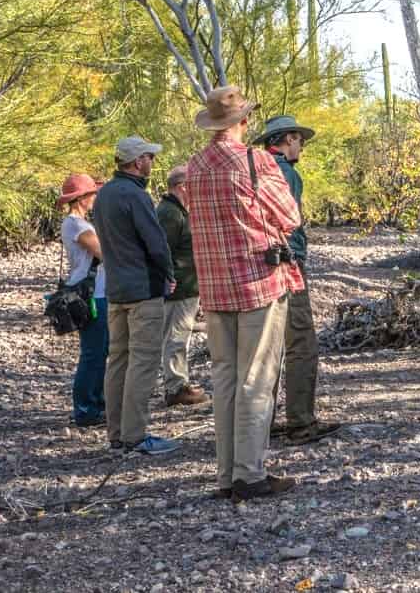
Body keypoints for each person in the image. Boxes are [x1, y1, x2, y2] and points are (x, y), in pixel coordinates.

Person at [186, 86, 305, 503]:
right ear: (243, 122)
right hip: (258, 281)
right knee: (256, 379)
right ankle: (249, 475)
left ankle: (227, 475)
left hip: (214, 287)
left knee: (225, 380)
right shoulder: (254, 162)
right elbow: (290, 217)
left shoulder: (193, 166)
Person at [253, 114, 341, 445]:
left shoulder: (253, 169)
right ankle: (301, 421)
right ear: (288, 139)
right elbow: (288, 222)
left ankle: (260, 422)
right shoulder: (285, 172)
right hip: (286, 263)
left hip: (257, 266)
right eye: (299, 140)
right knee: (301, 342)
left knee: (266, 345)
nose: (301, 145)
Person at [93, 135, 180, 456]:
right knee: (142, 363)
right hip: (143, 290)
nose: (152, 163)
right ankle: (135, 436)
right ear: (136, 161)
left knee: (117, 361)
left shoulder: (103, 195)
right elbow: (156, 243)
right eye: (149, 157)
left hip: (116, 290)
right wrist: (169, 274)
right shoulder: (136, 195)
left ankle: (116, 434)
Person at [59, 174, 108, 428]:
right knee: (93, 353)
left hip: (93, 290)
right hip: (92, 294)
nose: (95, 198)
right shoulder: (78, 226)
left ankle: (95, 404)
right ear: (81, 198)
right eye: (92, 194)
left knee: (98, 351)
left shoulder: (75, 223)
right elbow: (104, 252)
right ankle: (87, 409)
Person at [157, 164, 207, 408]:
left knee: (181, 336)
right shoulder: (170, 213)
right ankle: (175, 387)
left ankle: (179, 382)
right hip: (179, 287)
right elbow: (162, 251)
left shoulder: (178, 212)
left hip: (188, 285)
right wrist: (169, 279)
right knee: (176, 337)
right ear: (182, 186)